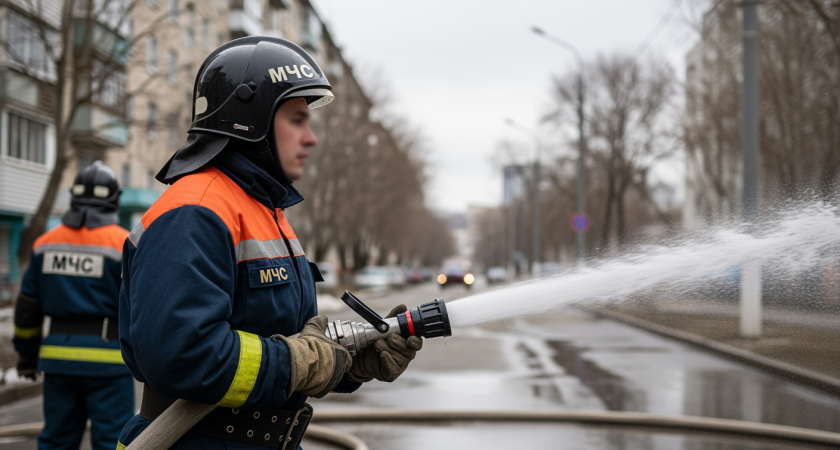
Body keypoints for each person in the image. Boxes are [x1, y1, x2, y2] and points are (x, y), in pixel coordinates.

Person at [117, 36, 423, 449]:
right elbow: (181, 355)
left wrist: (351, 360)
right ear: (252, 119)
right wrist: (299, 363)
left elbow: (288, 339)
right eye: (297, 119)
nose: (311, 138)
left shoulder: (264, 211)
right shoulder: (196, 211)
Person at [13, 161, 134, 450]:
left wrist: (27, 357)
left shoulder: (45, 244)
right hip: (109, 363)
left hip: (58, 362)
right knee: (112, 442)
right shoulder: (124, 244)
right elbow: (139, 306)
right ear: (114, 199)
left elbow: (27, 307)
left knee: (57, 441)